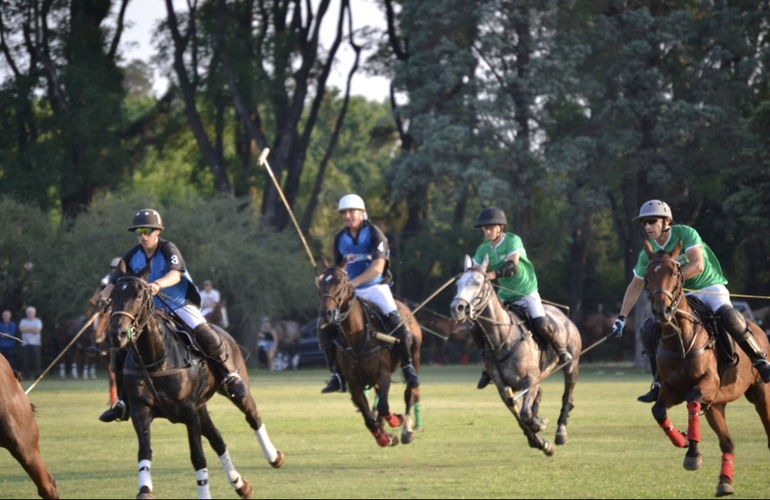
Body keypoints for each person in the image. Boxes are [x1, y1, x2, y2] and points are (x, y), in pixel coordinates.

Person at [97, 208, 249, 422]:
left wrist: (158, 284)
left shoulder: (168, 249)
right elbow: (114, 282)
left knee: (204, 331)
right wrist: (104, 300)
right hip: (149, 310)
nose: (143, 235)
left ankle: (229, 374)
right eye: (139, 231)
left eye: (147, 230)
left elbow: (175, 275)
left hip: (177, 303)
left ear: (157, 231)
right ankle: (122, 401)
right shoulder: (131, 255)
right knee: (120, 345)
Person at [611, 200, 770, 403]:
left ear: (666, 221)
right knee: (649, 329)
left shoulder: (685, 234)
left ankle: (760, 360)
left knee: (729, 316)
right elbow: (635, 287)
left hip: (709, 286)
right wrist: (622, 318)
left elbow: (697, 265)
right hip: (682, 294)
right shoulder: (647, 253)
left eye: (652, 221)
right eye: (644, 223)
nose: (647, 226)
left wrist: (671, 282)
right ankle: (658, 382)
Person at [318, 194, 419, 393]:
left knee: (398, 324)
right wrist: (325, 280)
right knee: (324, 326)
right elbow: (339, 269)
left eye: (351, 211)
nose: (347, 216)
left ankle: (408, 367)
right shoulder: (340, 238)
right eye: (344, 213)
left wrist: (352, 283)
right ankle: (337, 375)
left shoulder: (374, 233)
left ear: (362, 212)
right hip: (349, 291)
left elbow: (378, 268)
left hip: (375, 288)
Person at [471, 207, 572, 390]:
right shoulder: (483, 249)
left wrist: (490, 275)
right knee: (478, 328)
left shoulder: (512, 240)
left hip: (526, 292)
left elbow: (512, 267)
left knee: (541, 324)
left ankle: (561, 350)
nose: (487, 231)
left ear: (501, 227)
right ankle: (488, 367)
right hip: (504, 295)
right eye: (485, 228)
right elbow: (475, 270)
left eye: (490, 227)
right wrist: (466, 275)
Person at [19, 306, 42, 381]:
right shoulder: (23, 321)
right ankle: (26, 376)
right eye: (29, 313)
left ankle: (37, 376)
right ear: (27, 314)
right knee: (25, 361)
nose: (30, 314)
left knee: (36, 361)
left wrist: (27, 329)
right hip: (25, 344)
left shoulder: (38, 321)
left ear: (34, 313)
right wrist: (32, 329)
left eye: (31, 313)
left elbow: (37, 331)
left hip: (36, 344)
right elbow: (21, 329)